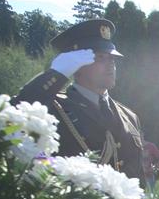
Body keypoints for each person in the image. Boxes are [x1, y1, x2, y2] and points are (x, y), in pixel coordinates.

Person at [15, 19, 143, 181]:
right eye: (100, 58)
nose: (110, 65)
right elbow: (14, 115)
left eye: (112, 59)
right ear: (77, 64)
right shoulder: (52, 109)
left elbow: (139, 180)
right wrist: (56, 75)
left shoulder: (129, 117)